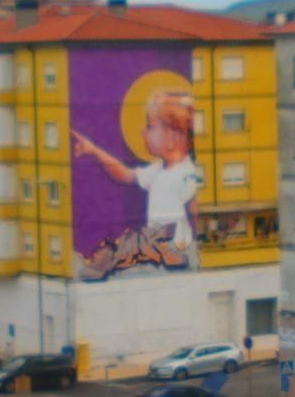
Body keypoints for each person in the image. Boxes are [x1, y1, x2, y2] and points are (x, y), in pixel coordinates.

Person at [73, 86, 204, 277]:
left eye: (150, 126)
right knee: (124, 250)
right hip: (155, 252)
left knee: (126, 252)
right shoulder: (157, 170)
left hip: (174, 256)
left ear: (172, 138)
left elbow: (195, 214)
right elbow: (124, 174)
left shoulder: (186, 174)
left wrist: (195, 252)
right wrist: (93, 150)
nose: (143, 132)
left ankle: (98, 268)